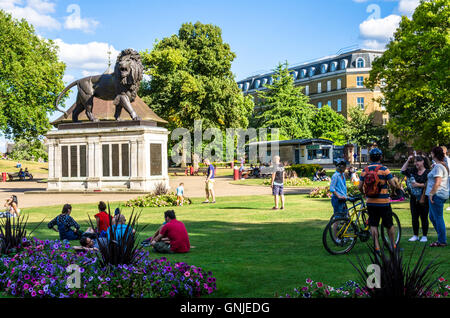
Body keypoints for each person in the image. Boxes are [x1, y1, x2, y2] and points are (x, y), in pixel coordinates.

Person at [358, 148, 397, 252]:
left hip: (370, 202)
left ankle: (377, 246)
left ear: (370, 158)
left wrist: (365, 194)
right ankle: (393, 245)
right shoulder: (384, 169)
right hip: (383, 202)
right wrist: (393, 192)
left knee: (373, 224)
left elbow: (359, 187)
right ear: (381, 157)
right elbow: (393, 184)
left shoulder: (364, 170)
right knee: (389, 224)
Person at [401, 155, 430, 242]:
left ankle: (424, 236)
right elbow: (402, 171)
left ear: (423, 162)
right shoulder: (413, 171)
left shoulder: (428, 172)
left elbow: (429, 184)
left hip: (423, 197)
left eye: (418, 161)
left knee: (424, 217)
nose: (416, 163)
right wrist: (408, 160)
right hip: (413, 198)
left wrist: (418, 185)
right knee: (414, 217)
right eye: (415, 161)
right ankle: (415, 235)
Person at [426, 147, 449, 247]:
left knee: (438, 217)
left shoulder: (439, 167)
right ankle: (441, 237)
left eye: (431, 152)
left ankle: (442, 241)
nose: (430, 154)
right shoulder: (439, 165)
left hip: (437, 194)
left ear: (434, 154)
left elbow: (437, 182)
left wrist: (431, 194)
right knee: (432, 216)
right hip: (439, 194)